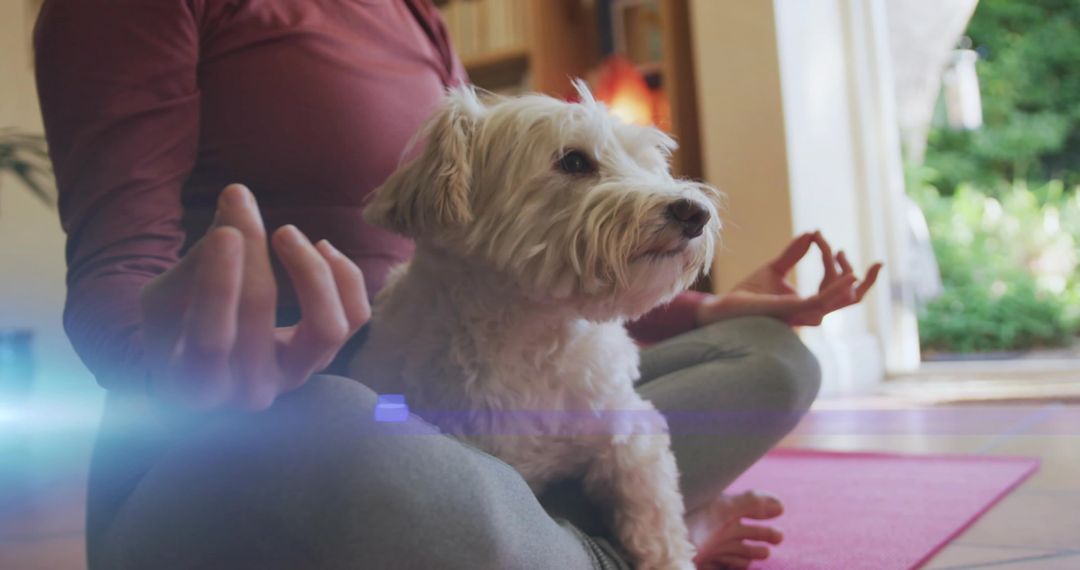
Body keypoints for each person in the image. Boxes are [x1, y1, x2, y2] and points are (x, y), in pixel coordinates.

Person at [33, 1, 880, 568]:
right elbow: (117, 269)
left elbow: (516, 235)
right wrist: (190, 370)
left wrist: (706, 304)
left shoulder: (412, 12)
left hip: (515, 381)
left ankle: (532, 542)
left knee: (773, 360)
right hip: (308, 421)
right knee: (346, 420)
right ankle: (614, 550)